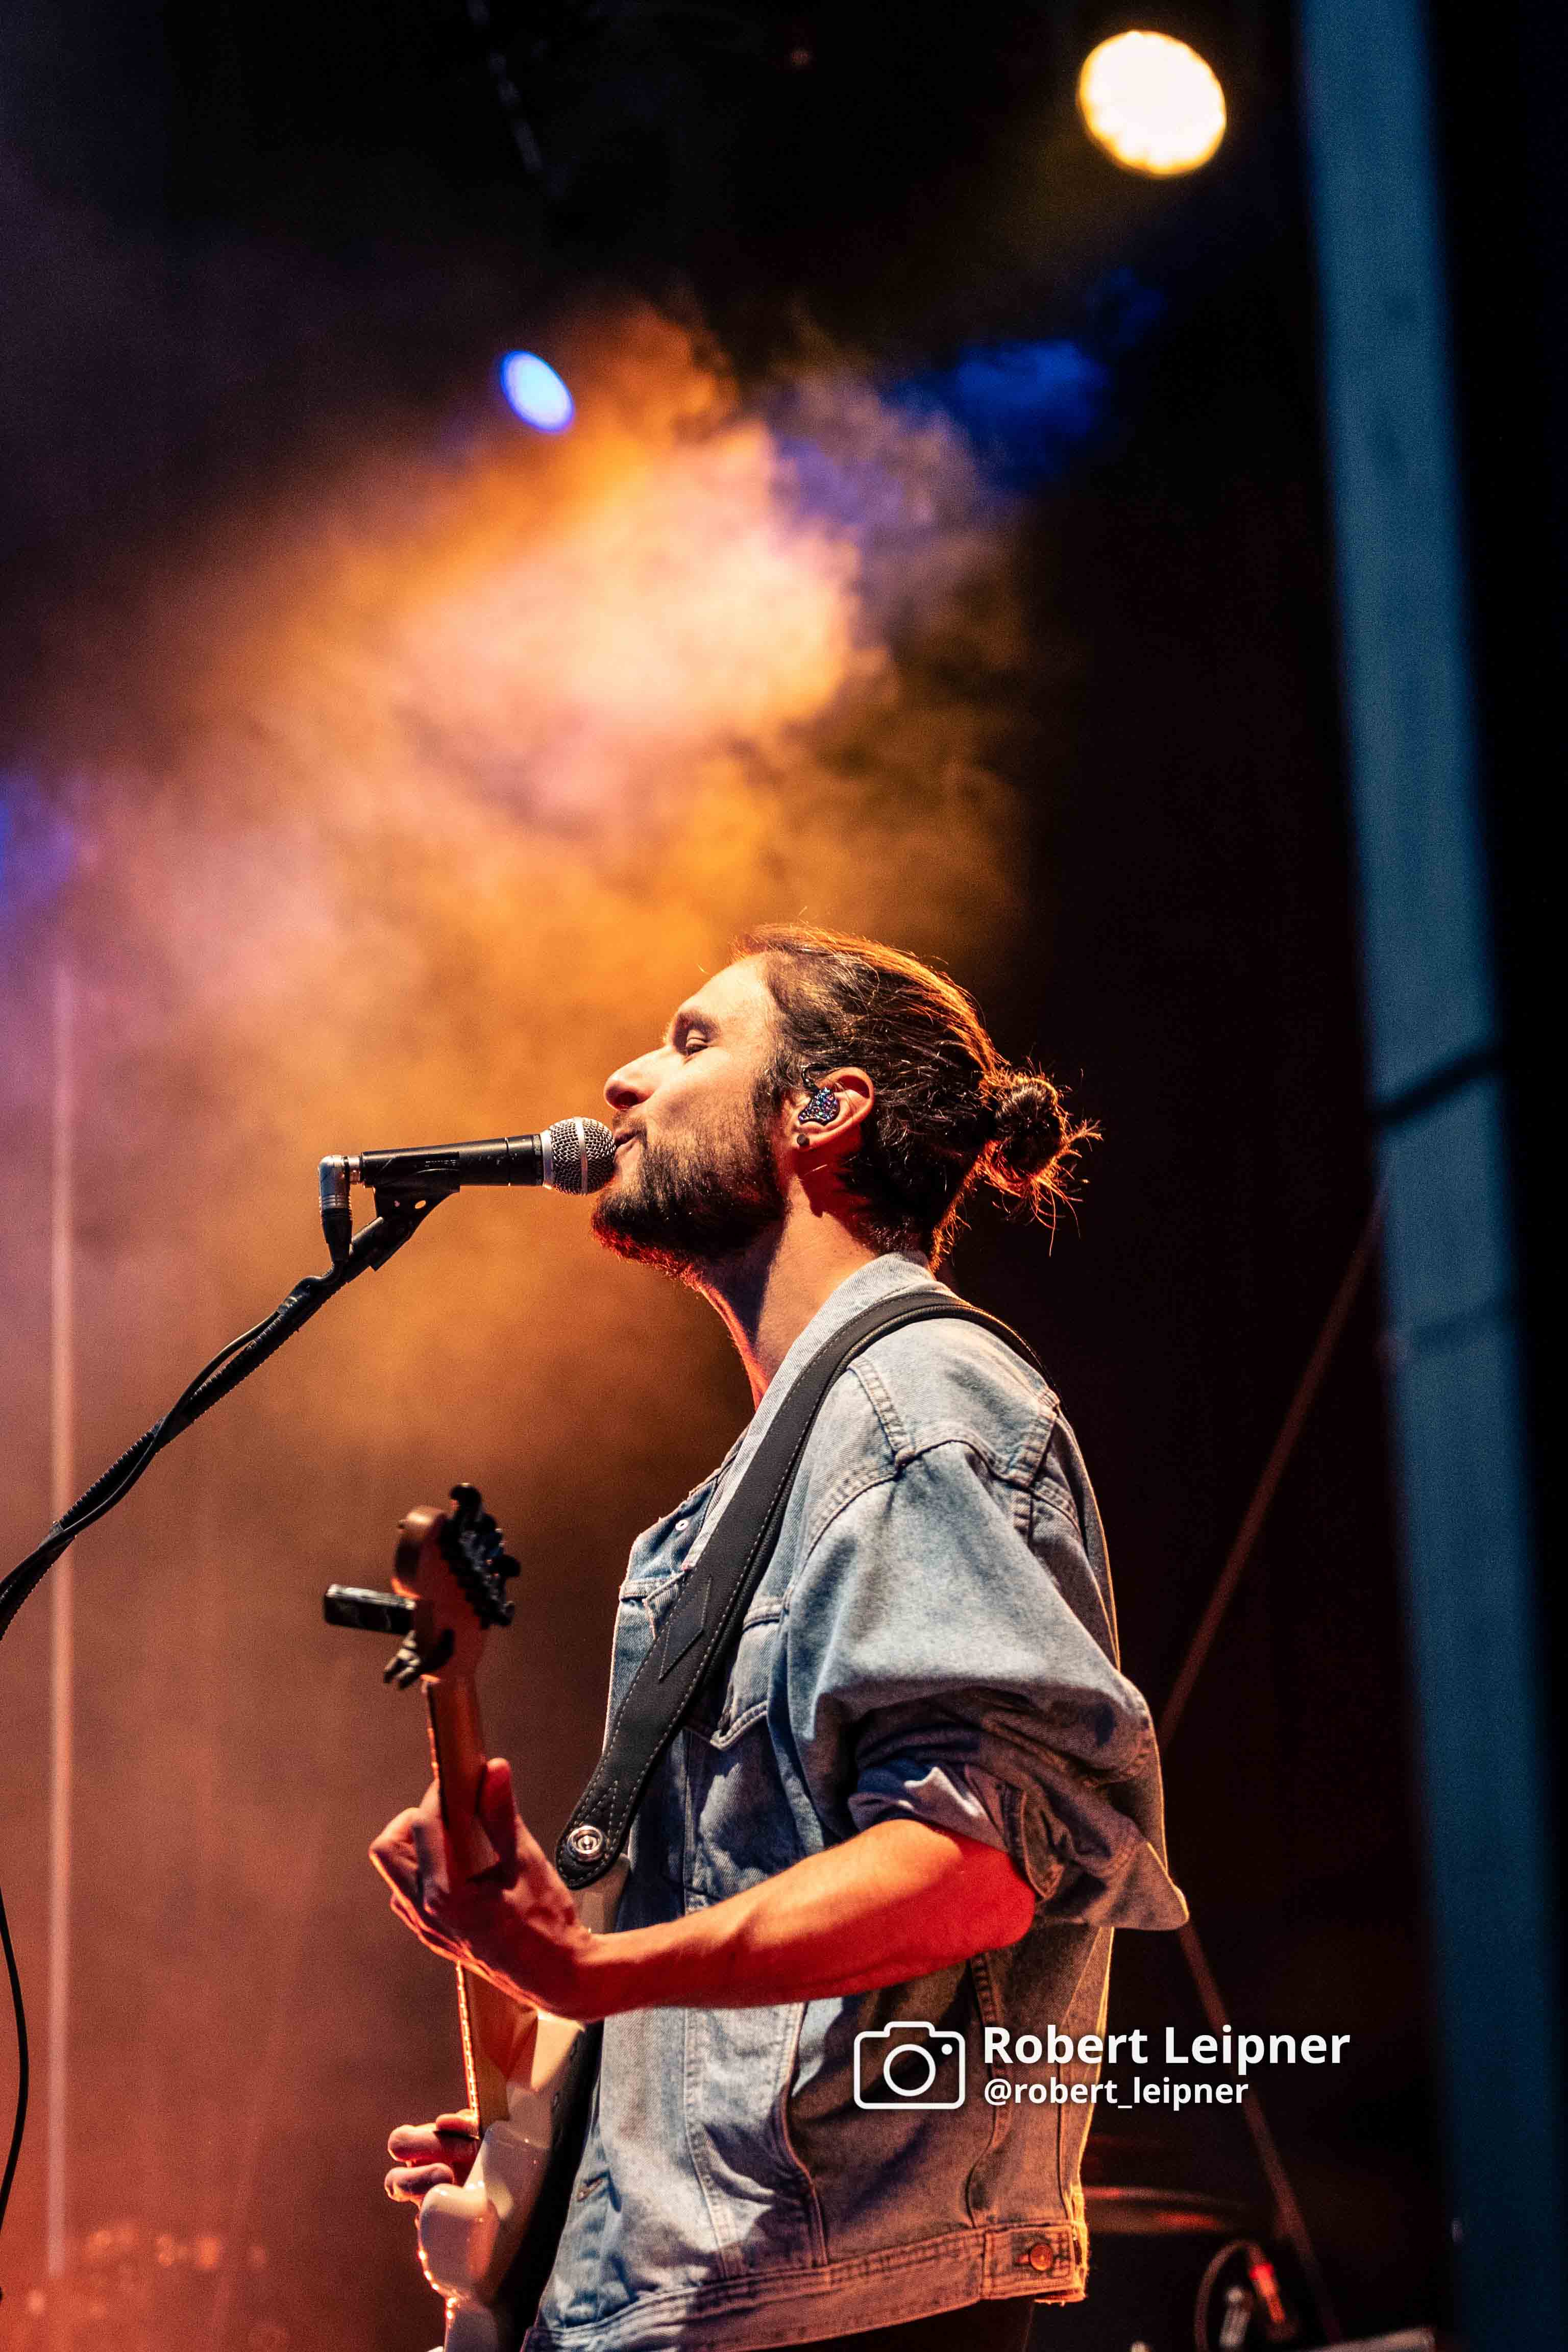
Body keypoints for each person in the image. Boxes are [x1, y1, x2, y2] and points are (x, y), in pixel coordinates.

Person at [371, 924, 1187, 2352]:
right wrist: (596, 2144)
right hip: (741, 2296)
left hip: (859, 2312)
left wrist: (597, 1975)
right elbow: (773, 1981)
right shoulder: (747, 1501)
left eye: (692, 1043)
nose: (625, 1081)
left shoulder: (920, 1400)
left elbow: (973, 1865)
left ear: (824, 1112)